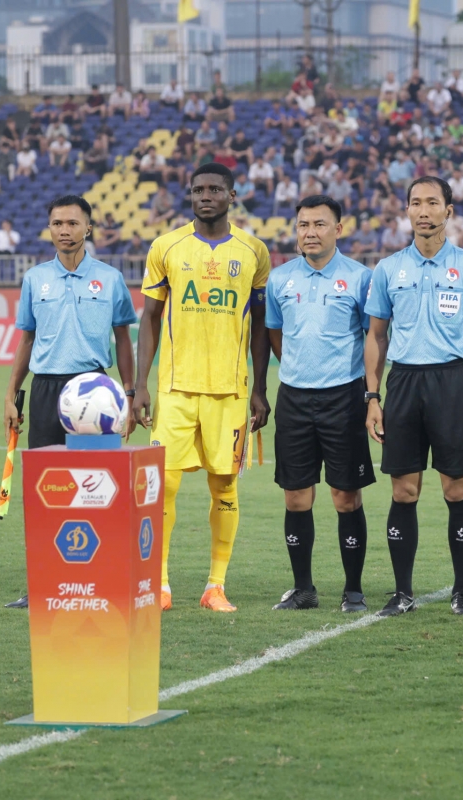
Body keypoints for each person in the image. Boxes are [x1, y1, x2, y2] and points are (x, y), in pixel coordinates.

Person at [135, 163, 272, 613]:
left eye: (215, 189)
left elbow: (259, 327)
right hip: (175, 388)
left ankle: (216, 586)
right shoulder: (166, 246)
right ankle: (160, 584)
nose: (205, 196)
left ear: (232, 195)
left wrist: (258, 388)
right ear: (189, 195)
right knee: (164, 487)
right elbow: (150, 319)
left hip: (230, 393)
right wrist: (140, 385)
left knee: (225, 486)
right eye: (198, 189)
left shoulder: (254, 250)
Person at [363, 176, 463, 617]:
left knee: (456, 489)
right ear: (406, 211)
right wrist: (372, 396)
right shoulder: (388, 269)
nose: (423, 211)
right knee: (404, 490)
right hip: (402, 384)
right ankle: (403, 593)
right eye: (415, 203)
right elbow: (376, 337)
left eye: (432, 203)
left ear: (449, 211)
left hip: (451, 382)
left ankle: (462, 591)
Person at [3, 195, 139, 609]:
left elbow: (123, 339)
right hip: (45, 390)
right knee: (46, 491)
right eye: (57, 223)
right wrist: (10, 395)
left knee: (98, 489)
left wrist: (129, 395)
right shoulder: (34, 279)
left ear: (88, 228)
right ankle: (43, 582)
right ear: (50, 229)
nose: (65, 230)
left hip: (96, 393)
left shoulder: (111, 279)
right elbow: (26, 339)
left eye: (72, 223)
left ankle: (99, 577)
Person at [265, 195, 376, 612]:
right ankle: (303, 589)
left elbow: (372, 338)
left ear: (338, 229)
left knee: (345, 497)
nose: (309, 232)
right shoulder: (280, 280)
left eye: (319, 224)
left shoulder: (360, 278)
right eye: (303, 225)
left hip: (344, 397)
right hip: (293, 396)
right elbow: (275, 334)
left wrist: (369, 396)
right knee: (296, 497)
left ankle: (353, 591)